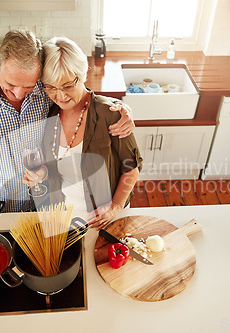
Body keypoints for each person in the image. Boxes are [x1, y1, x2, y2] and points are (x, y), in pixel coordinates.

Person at [0, 30, 134, 213]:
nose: (18, 94)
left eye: (28, 87)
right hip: (0, 201)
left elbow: (73, 91)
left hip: (44, 199)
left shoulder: (44, 88)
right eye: (10, 85)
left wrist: (118, 108)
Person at [23, 37, 142, 229]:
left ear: (83, 74)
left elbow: (132, 167)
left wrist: (116, 207)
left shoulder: (109, 114)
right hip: (66, 214)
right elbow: (58, 167)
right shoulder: (50, 115)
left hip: (106, 217)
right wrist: (42, 174)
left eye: (68, 85)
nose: (60, 96)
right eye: (51, 87)